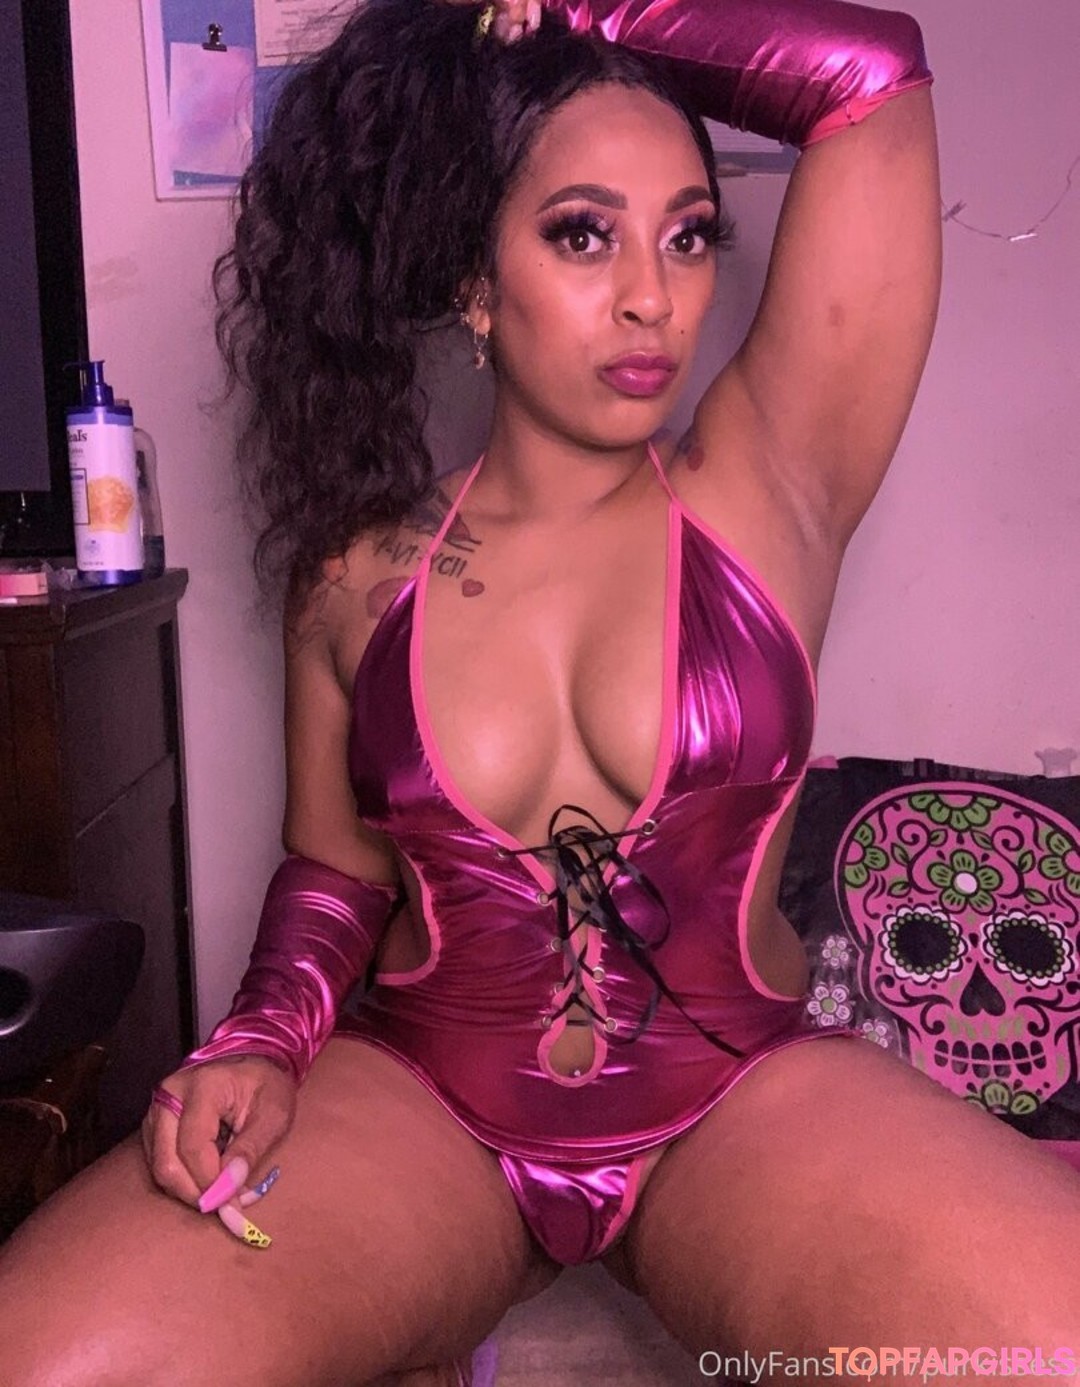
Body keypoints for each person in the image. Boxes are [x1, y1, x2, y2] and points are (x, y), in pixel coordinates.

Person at [2, 0, 1080, 1383]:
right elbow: (335, 872)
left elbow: (870, 79)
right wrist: (264, 1037)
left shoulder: (768, 487)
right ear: (474, 277)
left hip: (733, 1097)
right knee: (46, 1362)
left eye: (689, 235)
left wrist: (588, 8)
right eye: (583, 234)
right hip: (432, 1106)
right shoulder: (357, 576)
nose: (653, 299)